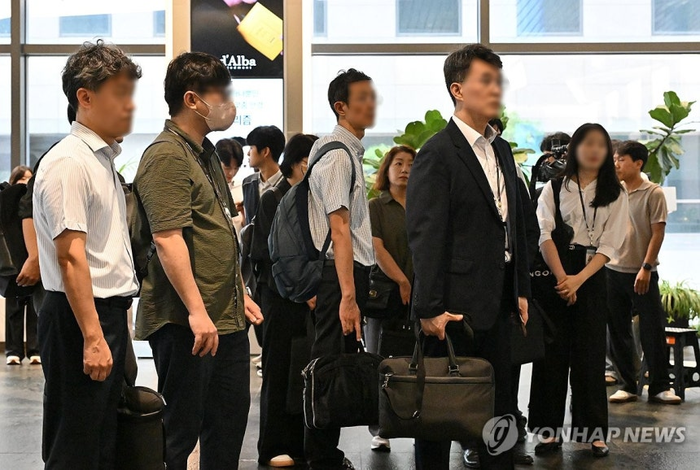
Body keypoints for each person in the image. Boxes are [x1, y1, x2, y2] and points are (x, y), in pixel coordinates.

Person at [131, 51, 263, 470]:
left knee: (227, 425)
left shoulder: (203, 153)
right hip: (187, 322)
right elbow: (168, 239)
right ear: (192, 99)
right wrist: (197, 310)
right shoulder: (166, 155)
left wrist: (239, 293)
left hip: (225, 318)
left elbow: (217, 230)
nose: (229, 103)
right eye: (221, 94)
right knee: (180, 431)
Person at [406, 44, 532, 470]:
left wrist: (520, 289)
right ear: (458, 90)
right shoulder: (437, 152)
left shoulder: (500, 149)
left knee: (500, 410)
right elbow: (425, 236)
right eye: (485, 80)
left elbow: (511, 225)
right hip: (451, 307)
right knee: (440, 414)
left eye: (498, 80)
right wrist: (428, 307)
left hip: (498, 302)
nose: (496, 89)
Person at [32, 41, 141, 469]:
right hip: (79, 318)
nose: (130, 106)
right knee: (76, 445)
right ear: (85, 96)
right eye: (120, 94)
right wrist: (93, 337)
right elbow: (71, 258)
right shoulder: (69, 162)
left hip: (104, 314)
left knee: (101, 442)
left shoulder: (101, 161)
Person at [528, 123, 628, 458]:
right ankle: (548, 432)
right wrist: (562, 278)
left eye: (601, 144)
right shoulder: (554, 187)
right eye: (588, 143)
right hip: (555, 272)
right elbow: (543, 234)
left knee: (590, 356)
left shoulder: (615, 192)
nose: (594, 149)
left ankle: (593, 433)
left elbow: (611, 244)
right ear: (575, 149)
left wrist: (578, 280)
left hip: (592, 274)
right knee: (551, 356)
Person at [305, 68, 376, 470]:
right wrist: (348, 296)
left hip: (342, 274)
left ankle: (323, 453)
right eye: (362, 98)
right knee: (328, 364)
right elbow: (340, 228)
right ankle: (321, 457)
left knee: (331, 360)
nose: (371, 104)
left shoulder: (344, 151)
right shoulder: (336, 155)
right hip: (338, 274)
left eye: (372, 96)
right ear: (341, 107)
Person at [252, 133, 319, 468]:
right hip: (279, 298)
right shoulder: (273, 198)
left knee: (303, 371)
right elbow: (270, 255)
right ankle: (272, 446)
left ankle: (300, 444)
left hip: (308, 298)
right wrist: (305, 291)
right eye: (311, 160)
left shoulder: (314, 200)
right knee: (279, 370)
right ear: (297, 162)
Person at [607, 141, 681, 404]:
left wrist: (646, 267)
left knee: (652, 329)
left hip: (642, 271)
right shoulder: (612, 191)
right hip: (612, 269)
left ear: (638, 163)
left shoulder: (654, 193)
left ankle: (660, 386)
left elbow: (657, 233)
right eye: (615, 159)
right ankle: (627, 384)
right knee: (618, 331)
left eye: (621, 160)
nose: (616, 164)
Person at [363, 145, 415, 453]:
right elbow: (376, 247)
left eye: (410, 163)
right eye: (398, 163)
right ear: (387, 169)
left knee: (415, 359)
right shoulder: (376, 205)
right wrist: (401, 280)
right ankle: (380, 427)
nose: (405, 169)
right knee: (380, 359)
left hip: (420, 292)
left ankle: (416, 420)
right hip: (385, 292)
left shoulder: (423, 203)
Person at [4, 165, 41, 366]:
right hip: (14, 261)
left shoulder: (35, 199)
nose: (25, 182)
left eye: (29, 178)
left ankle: (35, 349)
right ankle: (13, 350)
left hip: (34, 258)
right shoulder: (7, 202)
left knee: (34, 307)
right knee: (13, 307)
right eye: (22, 178)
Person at [242, 125, 286, 225]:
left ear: (265, 151)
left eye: (251, 148)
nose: (248, 153)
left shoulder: (287, 184)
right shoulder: (248, 183)